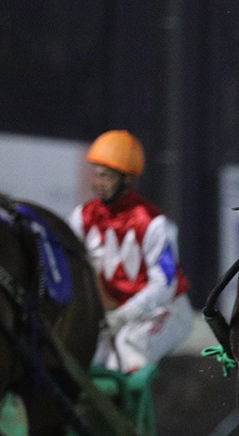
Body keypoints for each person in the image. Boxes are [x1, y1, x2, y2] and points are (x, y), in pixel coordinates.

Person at [69, 130, 194, 374]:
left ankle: (135, 411)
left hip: (164, 311)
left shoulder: (155, 224)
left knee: (127, 353)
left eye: (105, 176)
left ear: (126, 179)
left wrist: (125, 315)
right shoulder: (81, 217)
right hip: (115, 316)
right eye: (96, 174)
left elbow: (165, 284)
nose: (97, 183)